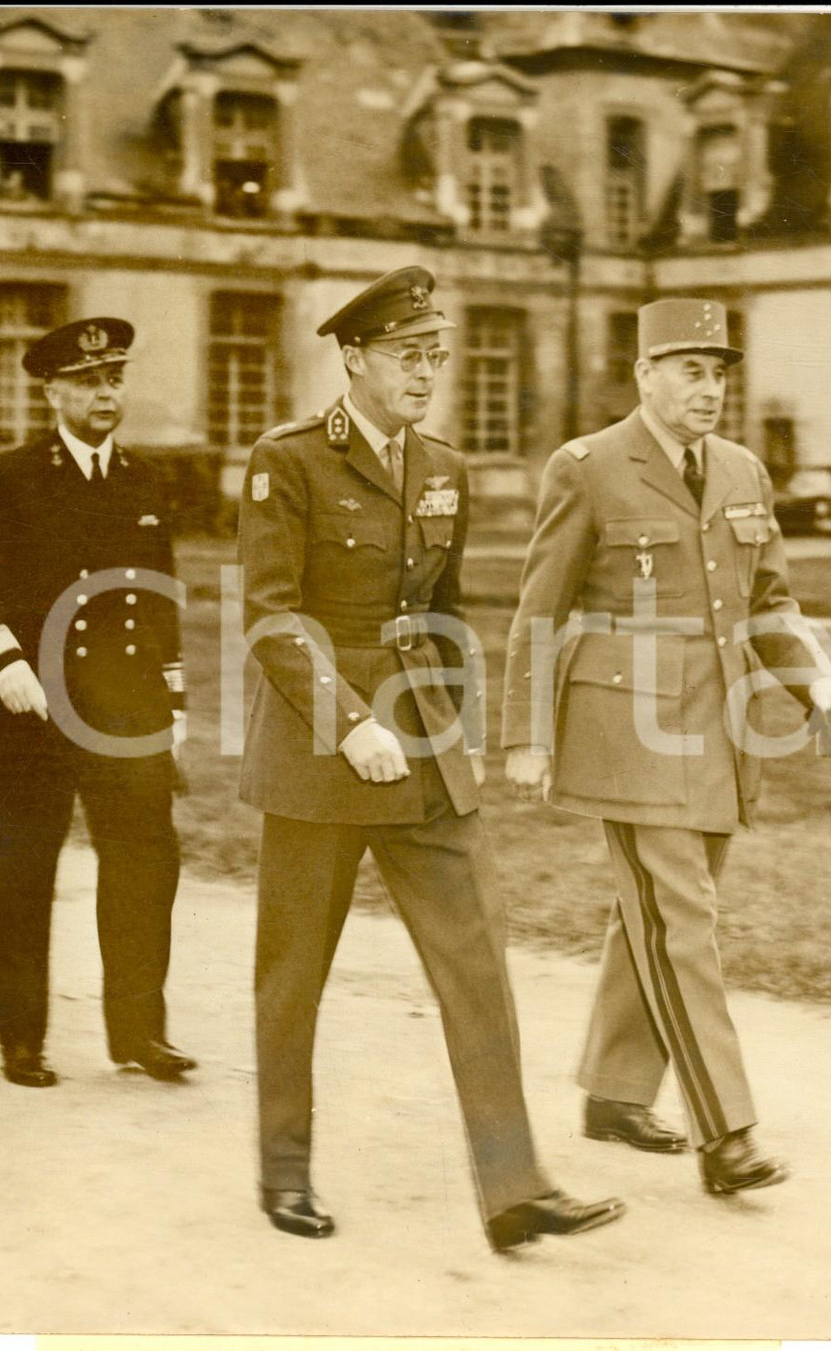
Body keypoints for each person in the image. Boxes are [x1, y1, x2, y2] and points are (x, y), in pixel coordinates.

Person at [237, 266, 625, 1251]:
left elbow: (445, 612)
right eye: (410, 356)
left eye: (436, 357)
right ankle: (283, 1170)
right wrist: (348, 719)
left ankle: (513, 1185)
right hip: (325, 753)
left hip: (420, 749)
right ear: (354, 356)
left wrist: (456, 727)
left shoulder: (442, 466)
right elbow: (271, 616)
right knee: (293, 973)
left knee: (476, 959)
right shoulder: (287, 461)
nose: (427, 374)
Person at [503, 297, 831, 1195]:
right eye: (691, 370)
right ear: (645, 376)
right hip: (625, 732)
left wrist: (814, 678)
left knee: (656, 918)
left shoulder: (741, 470)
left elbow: (769, 599)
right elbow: (537, 611)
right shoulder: (586, 467)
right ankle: (727, 1131)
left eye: (720, 372)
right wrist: (526, 735)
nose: (710, 390)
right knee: (683, 921)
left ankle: (615, 1092)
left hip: (720, 731)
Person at [0, 317, 197, 1088]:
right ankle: (21, 1039)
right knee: (20, 867)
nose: (104, 393)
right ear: (52, 390)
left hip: (127, 710)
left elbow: (160, 599)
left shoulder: (143, 481)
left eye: (114, 378)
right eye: (88, 381)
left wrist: (175, 704)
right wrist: (1, 658)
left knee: (145, 864)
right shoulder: (8, 475)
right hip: (33, 705)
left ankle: (139, 1033)